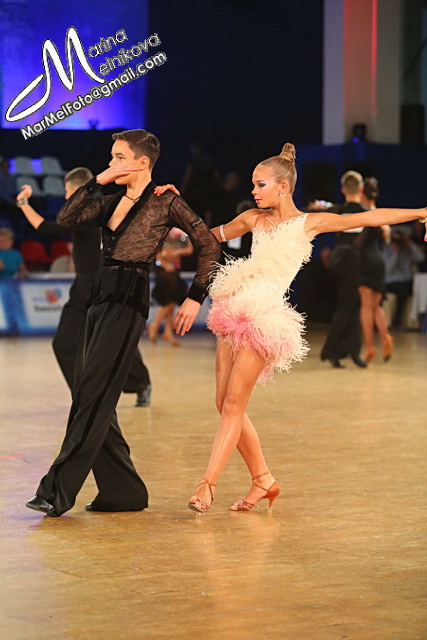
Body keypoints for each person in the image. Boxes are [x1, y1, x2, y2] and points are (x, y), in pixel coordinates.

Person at [158, 143, 427, 514]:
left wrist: (421, 212)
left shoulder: (310, 223)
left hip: (264, 318)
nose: (253, 191)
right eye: (254, 184)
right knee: (223, 403)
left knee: (234, 404)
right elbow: (205, 235)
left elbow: (371, 216)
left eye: (261, 184)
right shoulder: (252, 218)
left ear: (283, 187)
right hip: (233, 311)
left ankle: (208, 485)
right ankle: (263, 480)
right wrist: (175, 205)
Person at [25, 129, 220, 518]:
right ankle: (123, 491)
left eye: (118, 157)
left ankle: (56, 491)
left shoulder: (166, 201)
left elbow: (209, 244)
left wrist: (194, 297)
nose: (112, 164)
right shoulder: (110, 200)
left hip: (128, 302)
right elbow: (65, 218)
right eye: (111, 157)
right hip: (98, 299)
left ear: (142, 162)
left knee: (93, 394)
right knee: (90, 394)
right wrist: (98, 180)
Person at [17, 169, 152, 407]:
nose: (65, 196)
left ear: (78, 191)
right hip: (83, 290)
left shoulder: (90, 214)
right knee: (65, 344)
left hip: (106, 288)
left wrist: (23, 203)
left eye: (68, 191)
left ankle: (140, 383)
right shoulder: (96, 210)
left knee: (114, 343)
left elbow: (45, 228)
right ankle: (84, 395)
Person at [320, 171, 369, 369]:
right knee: (347, 306)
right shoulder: (365, 212)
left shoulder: (338, 210)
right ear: (361, 189)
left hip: (339, 259)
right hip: (351, 262)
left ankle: (351, 350)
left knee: (352, 305)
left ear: (343, 190)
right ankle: (331, 350)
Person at [357, 177, 393, 361]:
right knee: (377, 306)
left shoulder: (361, 213)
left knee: (366, 306)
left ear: (361, 192)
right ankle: (386, 337)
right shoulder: (378, 213)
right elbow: (387, 234)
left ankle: (370, 347)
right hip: (378, 260)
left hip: (365, 261)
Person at [147, 227, 194, 346]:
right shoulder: (162, 228)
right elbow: (155, 250)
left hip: (174, 268)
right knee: (171, 297)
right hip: (163, 269)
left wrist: (177, 252)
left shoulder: (180, 232)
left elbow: (189, 249)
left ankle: (166, 331)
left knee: (172, 299)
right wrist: (163, 264)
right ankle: (156, 325)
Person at [383, 230, 425, 329]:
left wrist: (410, 245)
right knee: (400, 290)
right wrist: (396, 254)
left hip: (405, 281)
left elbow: (420, 258)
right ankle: (396, 321)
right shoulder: (388, 249)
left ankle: (399, 321)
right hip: (391, 281)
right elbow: (387, 269)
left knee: (405, 290)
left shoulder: (409, 249)